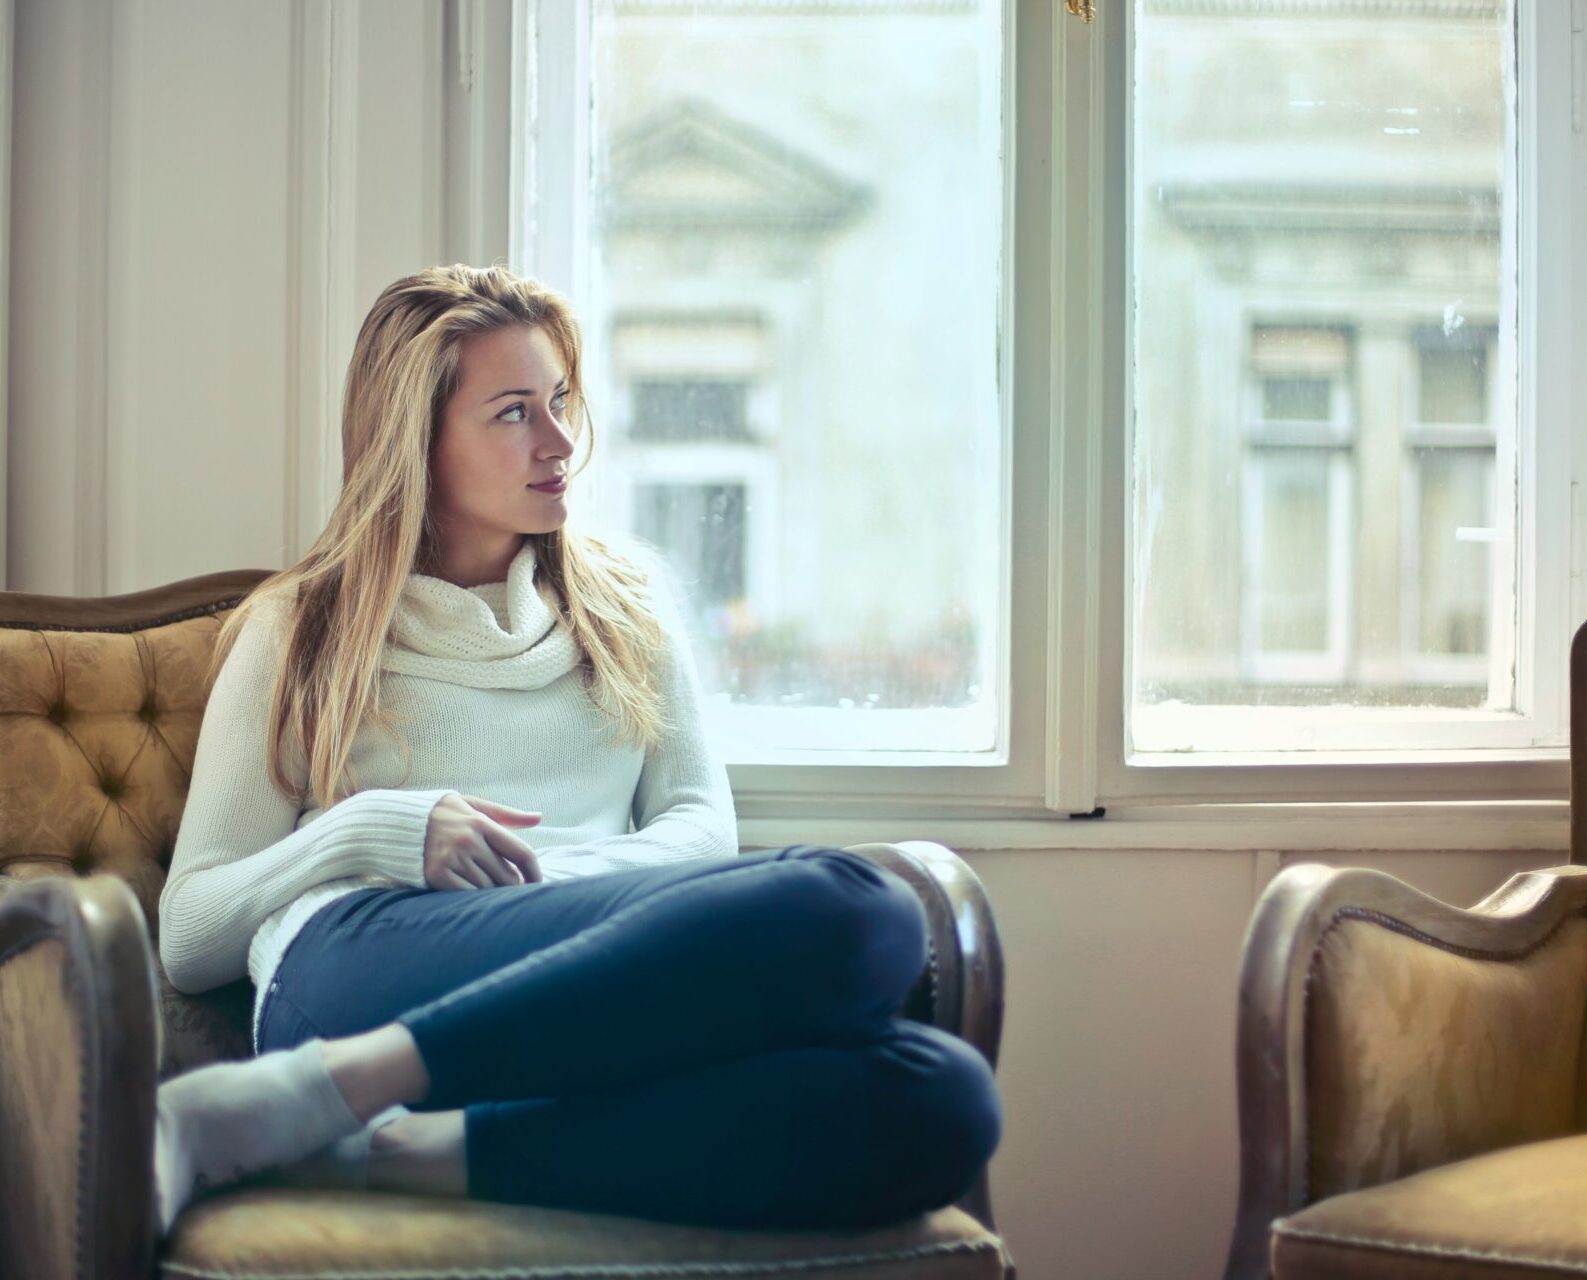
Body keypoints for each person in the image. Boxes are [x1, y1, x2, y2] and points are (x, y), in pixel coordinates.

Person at [152, 263, 1002, 1238]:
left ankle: (386, 1143)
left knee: (942, 1096)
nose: (559, 442)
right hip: (358, 963)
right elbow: (191, 930)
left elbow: (699, 828)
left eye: (558, 400)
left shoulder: (626, 604)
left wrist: (552, 880)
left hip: (592, 964)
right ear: (414, 442)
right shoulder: (301, 629)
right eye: (514, 412)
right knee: (856, 906)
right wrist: (371, 829)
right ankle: (335, 1077)